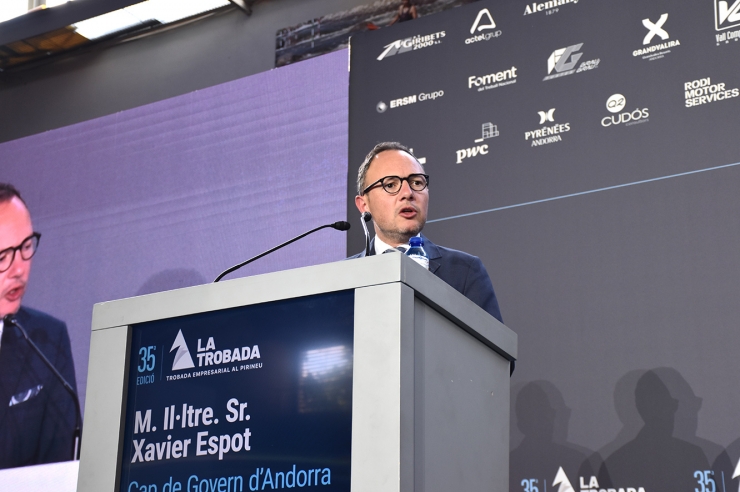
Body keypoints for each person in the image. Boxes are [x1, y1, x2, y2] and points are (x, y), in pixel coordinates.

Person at [351, 142, 503, 323]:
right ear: (364, 205)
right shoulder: (342, 277)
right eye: (390, 185)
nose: (408, 193)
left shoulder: (465, 272)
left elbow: (489, 349)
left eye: (417, 183)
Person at [0, 183, 78, 469]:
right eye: (2, 258)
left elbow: (56, 468)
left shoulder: (47, 340)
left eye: (26, 247)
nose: (19, 270)